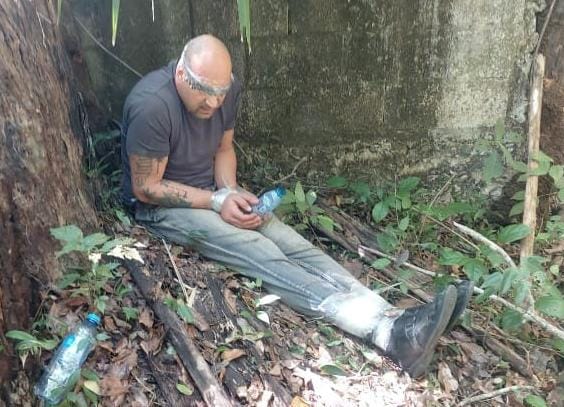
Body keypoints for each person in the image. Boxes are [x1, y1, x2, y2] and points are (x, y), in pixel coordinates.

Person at [121, 34, 473, 378]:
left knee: (290, 242)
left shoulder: (224, 91)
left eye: (220, 92)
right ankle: (381, 333)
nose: (213, 103)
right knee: (258, 249)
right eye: (204, 90)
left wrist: (231, 192)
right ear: (181, 73)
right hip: (162, 208)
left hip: (213, 192)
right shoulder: (152, 106)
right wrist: (216, 201)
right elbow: (147, 187)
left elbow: (224, 149)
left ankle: (396, 319)